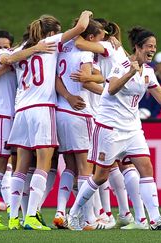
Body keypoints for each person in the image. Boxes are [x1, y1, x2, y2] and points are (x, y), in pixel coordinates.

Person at [67, 26, 161, 231]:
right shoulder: (122, 65)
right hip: (110, 127)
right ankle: (73, 213)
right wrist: (130, 73)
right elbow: (111, 88)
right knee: (100, 176)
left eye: (154, 46)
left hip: (133, 128)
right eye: (149, 46)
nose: (152, 50)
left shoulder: (149, 71)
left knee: (146, 168)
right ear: (137, 47)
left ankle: (155, 219)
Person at [0, 10, 92, 231]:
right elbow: (80, 28)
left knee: (20, 165)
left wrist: (32, 50)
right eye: (57, 32)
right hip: (42, 109)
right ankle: (31, 216)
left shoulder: (21, 49)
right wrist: (86, 13)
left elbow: (5, 57)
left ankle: (14, 218)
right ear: (50, 32)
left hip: (21, 110)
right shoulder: (49, 43)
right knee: (43, 163)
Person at [53, 19, 107, 230]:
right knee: (86, 167)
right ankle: (87, 219)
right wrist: (108, 92)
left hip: (61, 110)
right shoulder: (86, 54)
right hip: (79, 112)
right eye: (100, 38)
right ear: (91, 37)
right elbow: (85, 81)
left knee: (70, 165)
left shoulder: (63, 48)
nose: (101, 43)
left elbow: (56, 78)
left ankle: (60, 211)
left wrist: (66, 95)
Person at [0, 30, 17, 230]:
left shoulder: (14, 63)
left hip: (16, 117)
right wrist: (8, 63)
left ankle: (13, 210)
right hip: (0, 117)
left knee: (12, 166)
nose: (2, 49)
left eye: (6, 46)